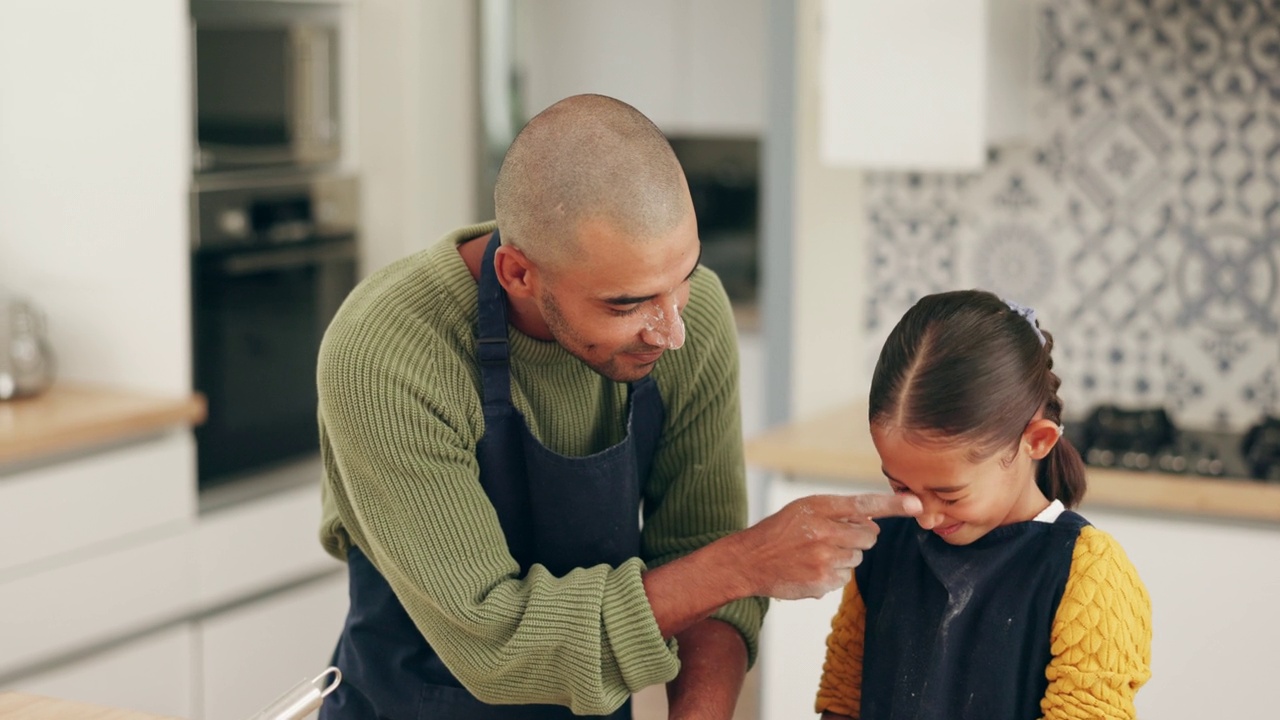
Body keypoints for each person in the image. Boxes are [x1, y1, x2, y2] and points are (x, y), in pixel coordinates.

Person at [314, 93, 920, 720]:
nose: (670, 330)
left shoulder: (695, 318)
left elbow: (701, 561)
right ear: (518, 274)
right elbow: (495, 646)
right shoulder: (387, 354)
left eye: (684, 275)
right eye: (626, 303)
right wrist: (744, 563)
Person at [815, 290, 1153, 720]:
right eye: (901, 487)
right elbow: (843, 699)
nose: (926, 514)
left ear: (1037, 441)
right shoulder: (883, 545)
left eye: (950, 494)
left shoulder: (1087, 574)